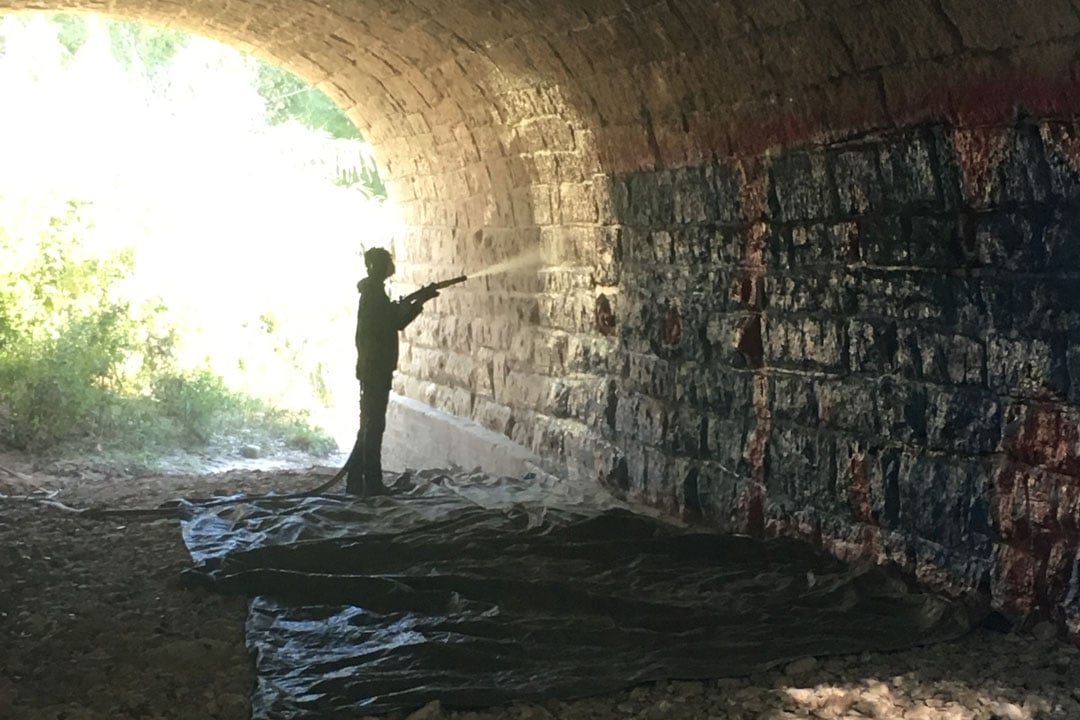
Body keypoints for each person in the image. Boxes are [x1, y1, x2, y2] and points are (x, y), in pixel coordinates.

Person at [346, 247, 438, 496]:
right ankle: (372, 485)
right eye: (388, 261)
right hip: (375, 369)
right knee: (374, 427)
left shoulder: (373, 292)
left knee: (369, 425)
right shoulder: (374, 295)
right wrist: (420, 301)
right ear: (379, 266)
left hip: (372, 368)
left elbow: (389, 320)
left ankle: (355, 481)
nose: (392, 265)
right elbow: (394, 323)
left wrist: (414, 302)